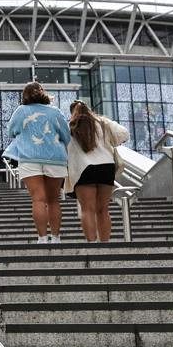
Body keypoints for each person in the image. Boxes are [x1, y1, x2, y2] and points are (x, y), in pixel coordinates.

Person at [4, 82, 73, 242]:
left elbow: (11, 131)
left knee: (38, 199)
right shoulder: (55, 112)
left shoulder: (21, 111)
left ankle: (42, 238)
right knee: (53, 200)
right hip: (55, 158)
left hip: (30, 158)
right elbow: (66, 135)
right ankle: (56, 238)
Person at [66, 101, 129, 243]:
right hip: (106, 167)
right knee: (103, 210)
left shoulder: (70, 127)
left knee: (87, 209)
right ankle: (105, 244)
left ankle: (92, 244)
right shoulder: (102, 122)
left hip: (84, 169)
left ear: (72, 113)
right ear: (89, 108)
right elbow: (124, 134)